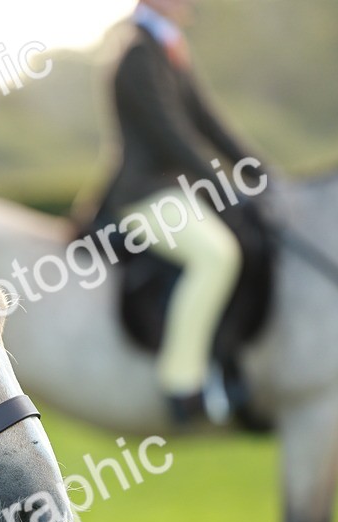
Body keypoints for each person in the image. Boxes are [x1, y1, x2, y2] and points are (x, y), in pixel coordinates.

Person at [96, 0, 264, 424]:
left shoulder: (168, 46)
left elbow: (207, 121)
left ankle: (226, 363)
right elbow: (170, 135)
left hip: (176, 193)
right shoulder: (137, 52)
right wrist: (221, 183)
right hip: (143, 195)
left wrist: (259, 169)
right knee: (216, 255)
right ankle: (181, 381)